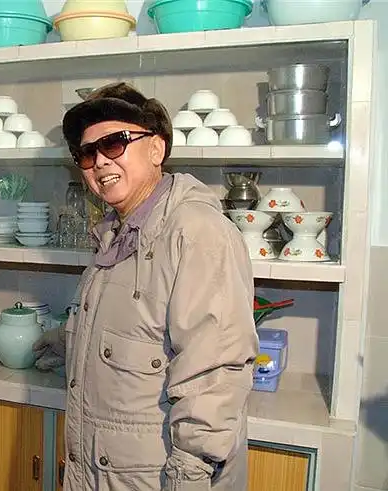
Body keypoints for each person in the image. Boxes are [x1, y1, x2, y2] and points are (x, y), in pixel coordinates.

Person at [33, 83, 259, 490]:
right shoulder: (117, 233)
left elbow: (215, 377)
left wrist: (188, 480)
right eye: (87, 153)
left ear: (157, 148)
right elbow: (141, 330)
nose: (100, 161)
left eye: (114, 143)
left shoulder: (197, 233)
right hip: (104, 471)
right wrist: (72, 341)